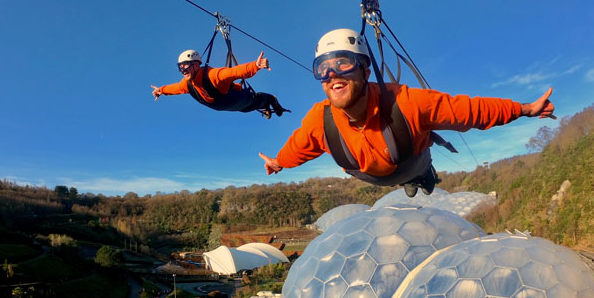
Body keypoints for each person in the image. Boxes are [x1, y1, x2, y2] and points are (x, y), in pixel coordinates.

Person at [258, 28, 556, 197]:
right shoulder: (319, 121)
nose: (333, 74)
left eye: (343, 63)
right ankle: (413, 180)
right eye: (322, 69)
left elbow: (469, 111)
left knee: (416, 166)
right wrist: (278, 162)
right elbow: (299, 146)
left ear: (364, 69)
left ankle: (424, 177)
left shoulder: (406, 102)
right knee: (389, 168)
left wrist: (525, 110)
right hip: (370, 176)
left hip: (411, 161)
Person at [151, 50, 288, 118]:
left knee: (255, 102)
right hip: (233, 106)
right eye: (180, 67)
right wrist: (161, 90)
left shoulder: (213, 75)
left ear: (196, 65)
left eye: (186, 66)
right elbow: (174, 88)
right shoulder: (187, 84)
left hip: (240, 99)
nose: (183, 70)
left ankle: (272, 100)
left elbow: (234, 72)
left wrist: (256, 65)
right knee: (246, 109)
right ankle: (266, 106)